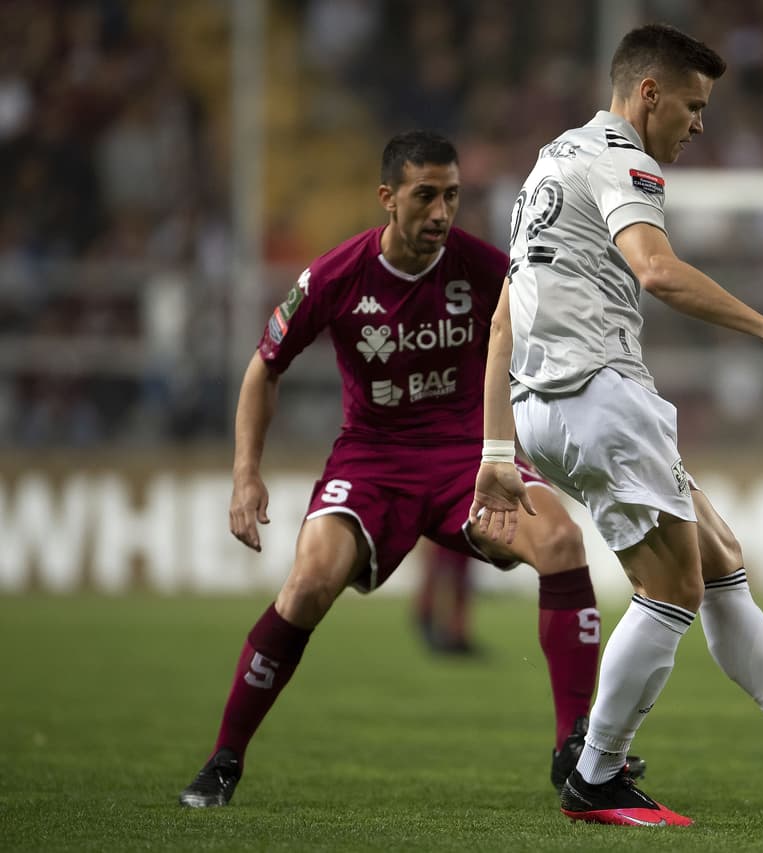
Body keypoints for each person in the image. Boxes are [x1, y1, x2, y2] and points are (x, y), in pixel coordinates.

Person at [470, 23, 763, 828]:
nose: (699, 124)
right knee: (672, 590)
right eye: (692, 106)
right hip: (600, 396)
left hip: (548, 405)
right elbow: (656, 270)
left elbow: (504, 322)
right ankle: (596, 775)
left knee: (717, 557)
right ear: (646, 94)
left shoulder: (549, 166)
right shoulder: (624, 159)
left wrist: (498, 446)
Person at [178, 131, 643, 808]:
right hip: (374, 461)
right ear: (387, 198)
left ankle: (573, 747)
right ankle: (223, 759)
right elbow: (263, 369)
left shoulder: (486, 268)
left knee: (563, 541)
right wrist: (246, 472)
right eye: (425, 195)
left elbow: (541, 344)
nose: (441, 212)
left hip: (466, 459)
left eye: (451, 196)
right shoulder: (336, 275)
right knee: (307, 584)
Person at [414, 539, 478, 655]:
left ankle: (456, 634)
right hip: (451, 535)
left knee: (459, 580)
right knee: (446, 576)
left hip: (463, 535)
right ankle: (445, 631)